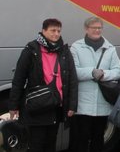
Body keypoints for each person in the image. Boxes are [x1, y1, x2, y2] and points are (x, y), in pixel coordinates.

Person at [9, 19, 78, 152]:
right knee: (36, 144)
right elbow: (19, 79)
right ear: (43, 31)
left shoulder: (64, 51)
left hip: (56, 107)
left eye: (58, 31)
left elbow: (72, 80)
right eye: (53, 30)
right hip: (37, 106)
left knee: (50, 144)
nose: (56, 34)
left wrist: (72, 105)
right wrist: (13, 105)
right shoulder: (31, 50)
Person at [70, 17, 120, 152]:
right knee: (81, 139)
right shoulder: (77, 47)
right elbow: (72, 72)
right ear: (86, 29)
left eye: (100, 28)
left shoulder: (110, 48)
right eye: (94, 28)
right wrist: (91, 72)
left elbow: (119, 71)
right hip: (82, 105)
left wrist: (104, 74)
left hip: (103, 104)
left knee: (98, 139)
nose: (97, 30)